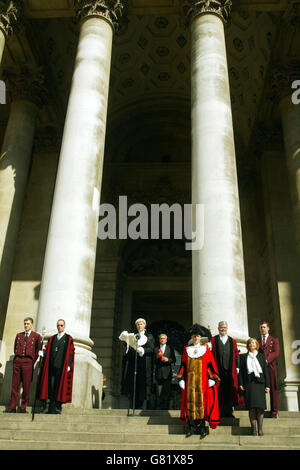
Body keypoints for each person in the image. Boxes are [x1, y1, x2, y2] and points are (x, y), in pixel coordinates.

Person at [177, 324, 220, 439]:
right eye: (194, 336)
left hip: (203, 382)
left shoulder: (206, 349)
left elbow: (211, 365)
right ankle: (191, 427)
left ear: (201, 338)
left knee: (203, 404)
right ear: (192, 337)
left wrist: (212, 378)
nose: (196, 338)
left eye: (198, 336)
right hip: (190, 382)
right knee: (190, 403)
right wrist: (181, 379)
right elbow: (183, 365)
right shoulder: (187, 350)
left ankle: (202, 428)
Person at [6, 317, 42, 413]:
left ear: (32, 324)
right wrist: (16, 359)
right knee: (15, 385)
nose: (26, 325)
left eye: (28, 324)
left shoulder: (37, 336)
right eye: (25, 324)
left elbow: (38, 350)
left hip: (28, 362)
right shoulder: (19, 335)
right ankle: (12, 407)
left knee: (26, 386)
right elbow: (15, 348)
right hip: (18, 361)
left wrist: (31, 362)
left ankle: (23, 407)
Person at [38, 319, 75, 414]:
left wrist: (69, 365)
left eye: (61, 325)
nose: (59, 327)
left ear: (64, 326)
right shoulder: (52, 338)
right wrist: (43, 353)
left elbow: (71, 352)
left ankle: (57, 406)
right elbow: (48, 349)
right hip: (51, 366)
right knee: (50, 385)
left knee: (59, 386)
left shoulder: (68, 338)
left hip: (61, 367)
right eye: (58, 325)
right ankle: (49, 405)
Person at [120, 318, 155, 410]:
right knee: (133, 383)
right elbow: (128, 348)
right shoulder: (133, 336)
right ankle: (132, 405)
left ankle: (141, 406)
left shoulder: (149, 336)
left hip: (144, 365)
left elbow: (151, 349)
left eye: (141, 324)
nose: (140, 326)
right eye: (138, 324)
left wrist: (143, 350)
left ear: (144, 325)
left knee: (142, 385)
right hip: (134, 364)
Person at [239, 338, 270, 436]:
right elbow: (241, 372)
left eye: (253, 343)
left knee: (260, 408)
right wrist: (241, 383)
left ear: (256, 345)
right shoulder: (243, 357)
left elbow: (265, 372)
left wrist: (267, 385)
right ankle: (253, 429)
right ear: (248, 345)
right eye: (250, 343)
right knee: (251, 408)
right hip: (249, 384)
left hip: (260, 383)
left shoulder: (261, 356)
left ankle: (260, 429)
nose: (251, 344)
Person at [211, 321, 241, 417]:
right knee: (219, 390)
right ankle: (219, 412)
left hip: (229, 370)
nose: (223, 329)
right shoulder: (214, 340)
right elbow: (211, 355)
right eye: (221, 327)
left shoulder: (232, 341)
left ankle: (229, 412)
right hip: (218, 369)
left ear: (227, 328)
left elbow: (236, 355)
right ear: (218, 328)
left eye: (224, 327)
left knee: (229, 390)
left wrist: (237, 367)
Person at [258, 322, 280, 418]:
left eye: (264, 327)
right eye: (261, 327)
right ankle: (261, 410)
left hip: (270, 366)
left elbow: (276, 352)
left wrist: (267, 360)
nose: (263, 329)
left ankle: (274, 411)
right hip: (260, 367)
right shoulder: (258, 340)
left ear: (268, 328)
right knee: (260, 388)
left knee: (272, 388)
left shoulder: (274, 340)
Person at [154, 333, 176, 410]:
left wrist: (168, 359)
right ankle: (159, 408)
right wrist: (157, 357)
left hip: (167, 373)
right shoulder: (156, 349)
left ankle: (166, 408)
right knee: (159, 392)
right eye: (161, 338)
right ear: (159, 340)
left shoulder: (170, 348)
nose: (162, 339)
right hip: (159, 373)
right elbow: (153, 361)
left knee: (167, 391)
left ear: (166, 340)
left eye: (163, 338)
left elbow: (174, 359)